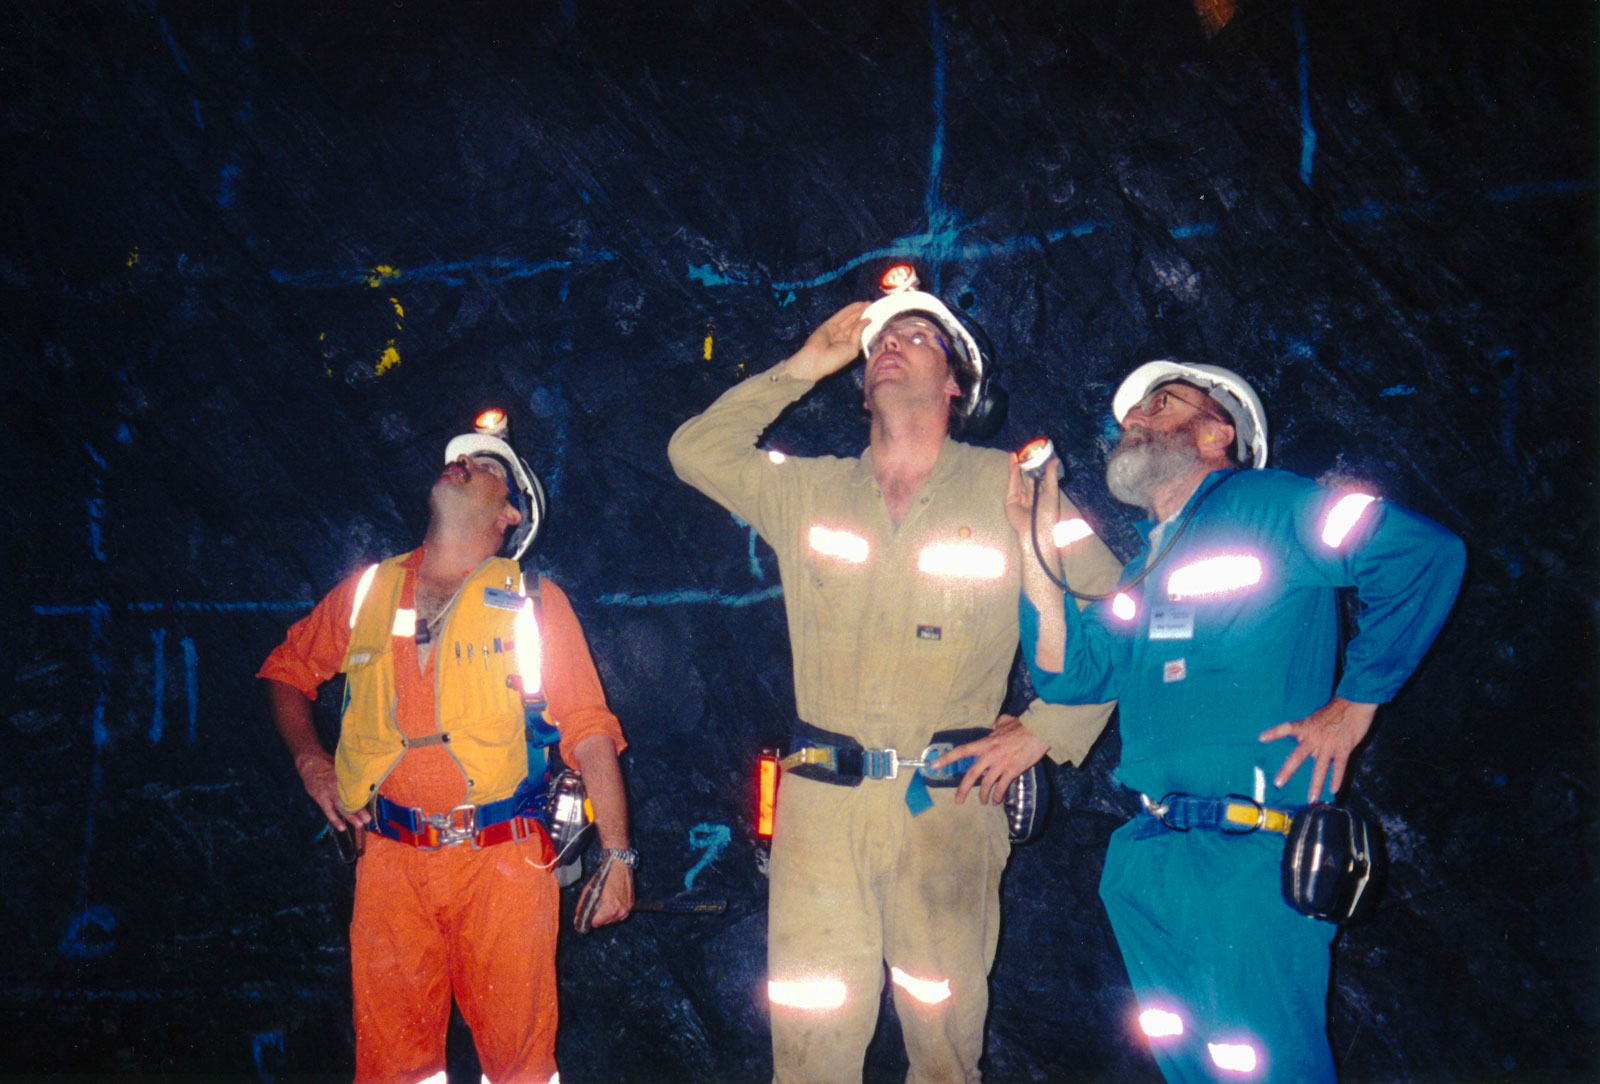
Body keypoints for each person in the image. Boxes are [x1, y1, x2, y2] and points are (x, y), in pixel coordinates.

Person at [667, 279, 1123, 1084]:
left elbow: (1119, 607)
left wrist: (1047, 730)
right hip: (820, 810)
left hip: (946, 810)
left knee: (944, 1052)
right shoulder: (807, 490)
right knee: (809, 1048)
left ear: (956, 385)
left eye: (917, 336)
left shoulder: (1013, 488)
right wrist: (805, 364)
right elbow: (693, 452)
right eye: (879, 339)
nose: (888, 345)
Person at [1008, 360, 1465, 1083]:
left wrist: (1356, 702)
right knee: (1192, 1067)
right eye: (1132, 413)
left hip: (1251, 855)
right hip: (1149, 860)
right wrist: (1031, 541)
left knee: (1265, 1068)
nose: (1135, 419)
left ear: (1217, 432)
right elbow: (1072, 675)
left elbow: (1421, 556)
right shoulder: (1142, 570)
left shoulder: (1270, 504)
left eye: (1162, 403)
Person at [259, 414, 635, 1084]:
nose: (461, 463)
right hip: (390, 864)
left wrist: (618, 855)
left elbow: (591, 731)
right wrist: (311, 762)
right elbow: (286, 673)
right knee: (394, 1069)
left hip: (505, 863)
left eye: (485, 465)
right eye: (459, 458)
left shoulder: (533, 603)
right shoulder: (368, 592)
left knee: (520, 1067)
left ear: (511, 516)